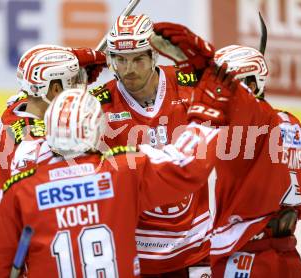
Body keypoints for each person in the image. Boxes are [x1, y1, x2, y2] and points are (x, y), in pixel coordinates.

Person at [0, 88, 220, 277]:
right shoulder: (124, 172)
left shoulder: (20, 191)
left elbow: (0, 268)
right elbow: (188, 167)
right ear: (97, 128)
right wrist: (210, 111)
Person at [0, 45, 106, 275]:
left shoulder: (15, 110)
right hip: (21, 264)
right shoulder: (37, 147)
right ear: (55, 88)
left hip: (0, 249)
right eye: (75, 82)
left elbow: (10, 195)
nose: (82, 90)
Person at [89, 14, 215, 276]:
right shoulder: (97, 106)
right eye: (120, 60)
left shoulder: (189, 87)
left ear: (154, 56)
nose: (129, 69)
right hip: (136, 251)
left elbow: (236, 99)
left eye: (138, 59)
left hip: (194, 245)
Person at [210, 44, 301, 277]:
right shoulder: (290, 123)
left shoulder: (235, 130)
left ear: (251, 86)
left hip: (242, 258)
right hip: (288, 260)